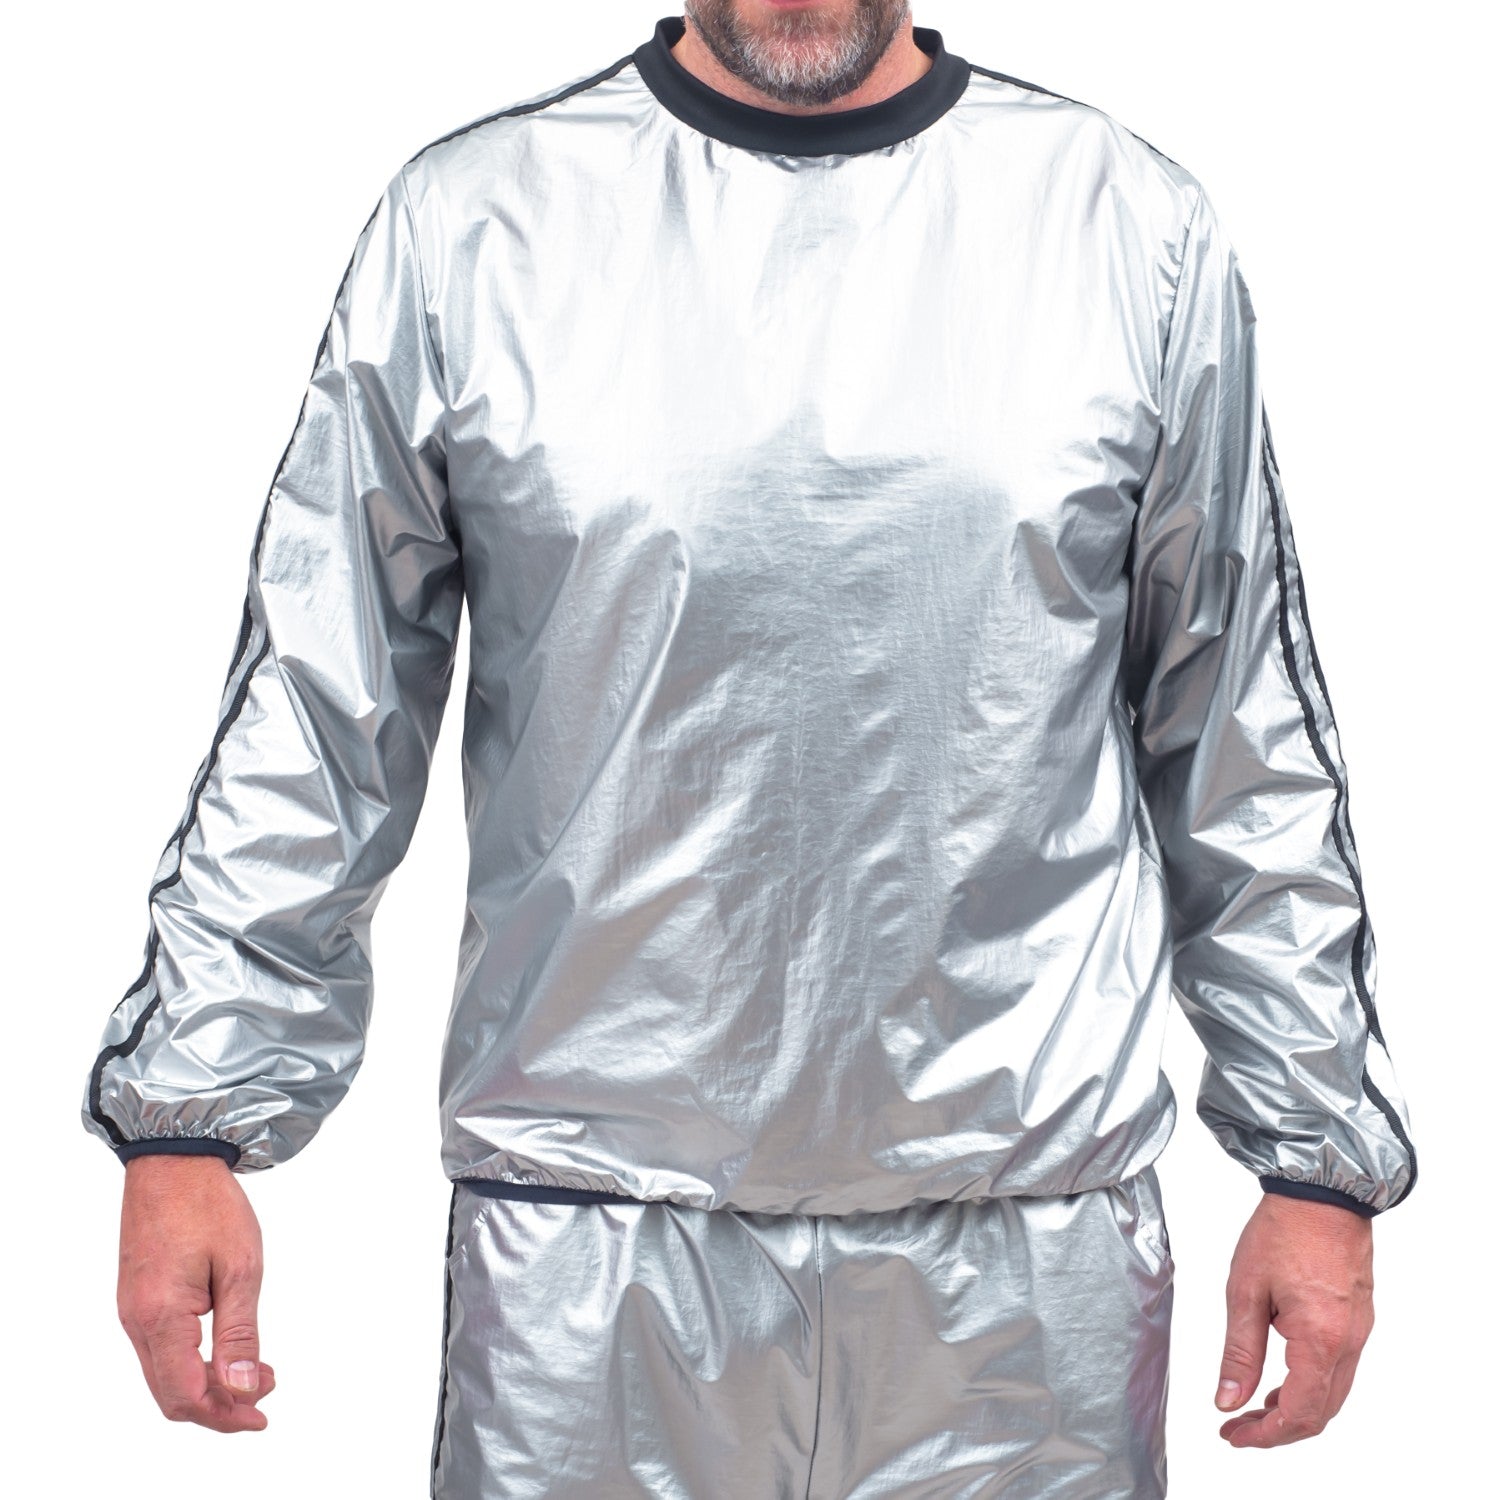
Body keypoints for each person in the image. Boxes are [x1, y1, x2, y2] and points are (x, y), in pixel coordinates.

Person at [82, 5, 1418, 1496]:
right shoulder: (474, 231)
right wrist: (189, 1119)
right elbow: (322, 707)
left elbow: (1235, 718)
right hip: (589, 1252)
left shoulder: (1125, 230)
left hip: (1025, 1263)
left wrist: (1314, 1156)